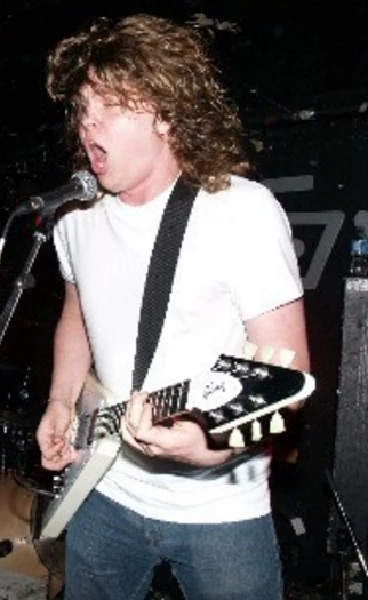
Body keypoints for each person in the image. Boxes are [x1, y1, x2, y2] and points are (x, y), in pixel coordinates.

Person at [34, 14, 310, 600]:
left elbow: (288, 378)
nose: (89, 126)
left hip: (221, 513)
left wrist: (211, 444)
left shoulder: (241, 213)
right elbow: (75, 315)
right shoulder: (74, 219)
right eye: (82, 109)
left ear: (165, 111)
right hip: (104, 493)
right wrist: (61, 402)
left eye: (109, 106)